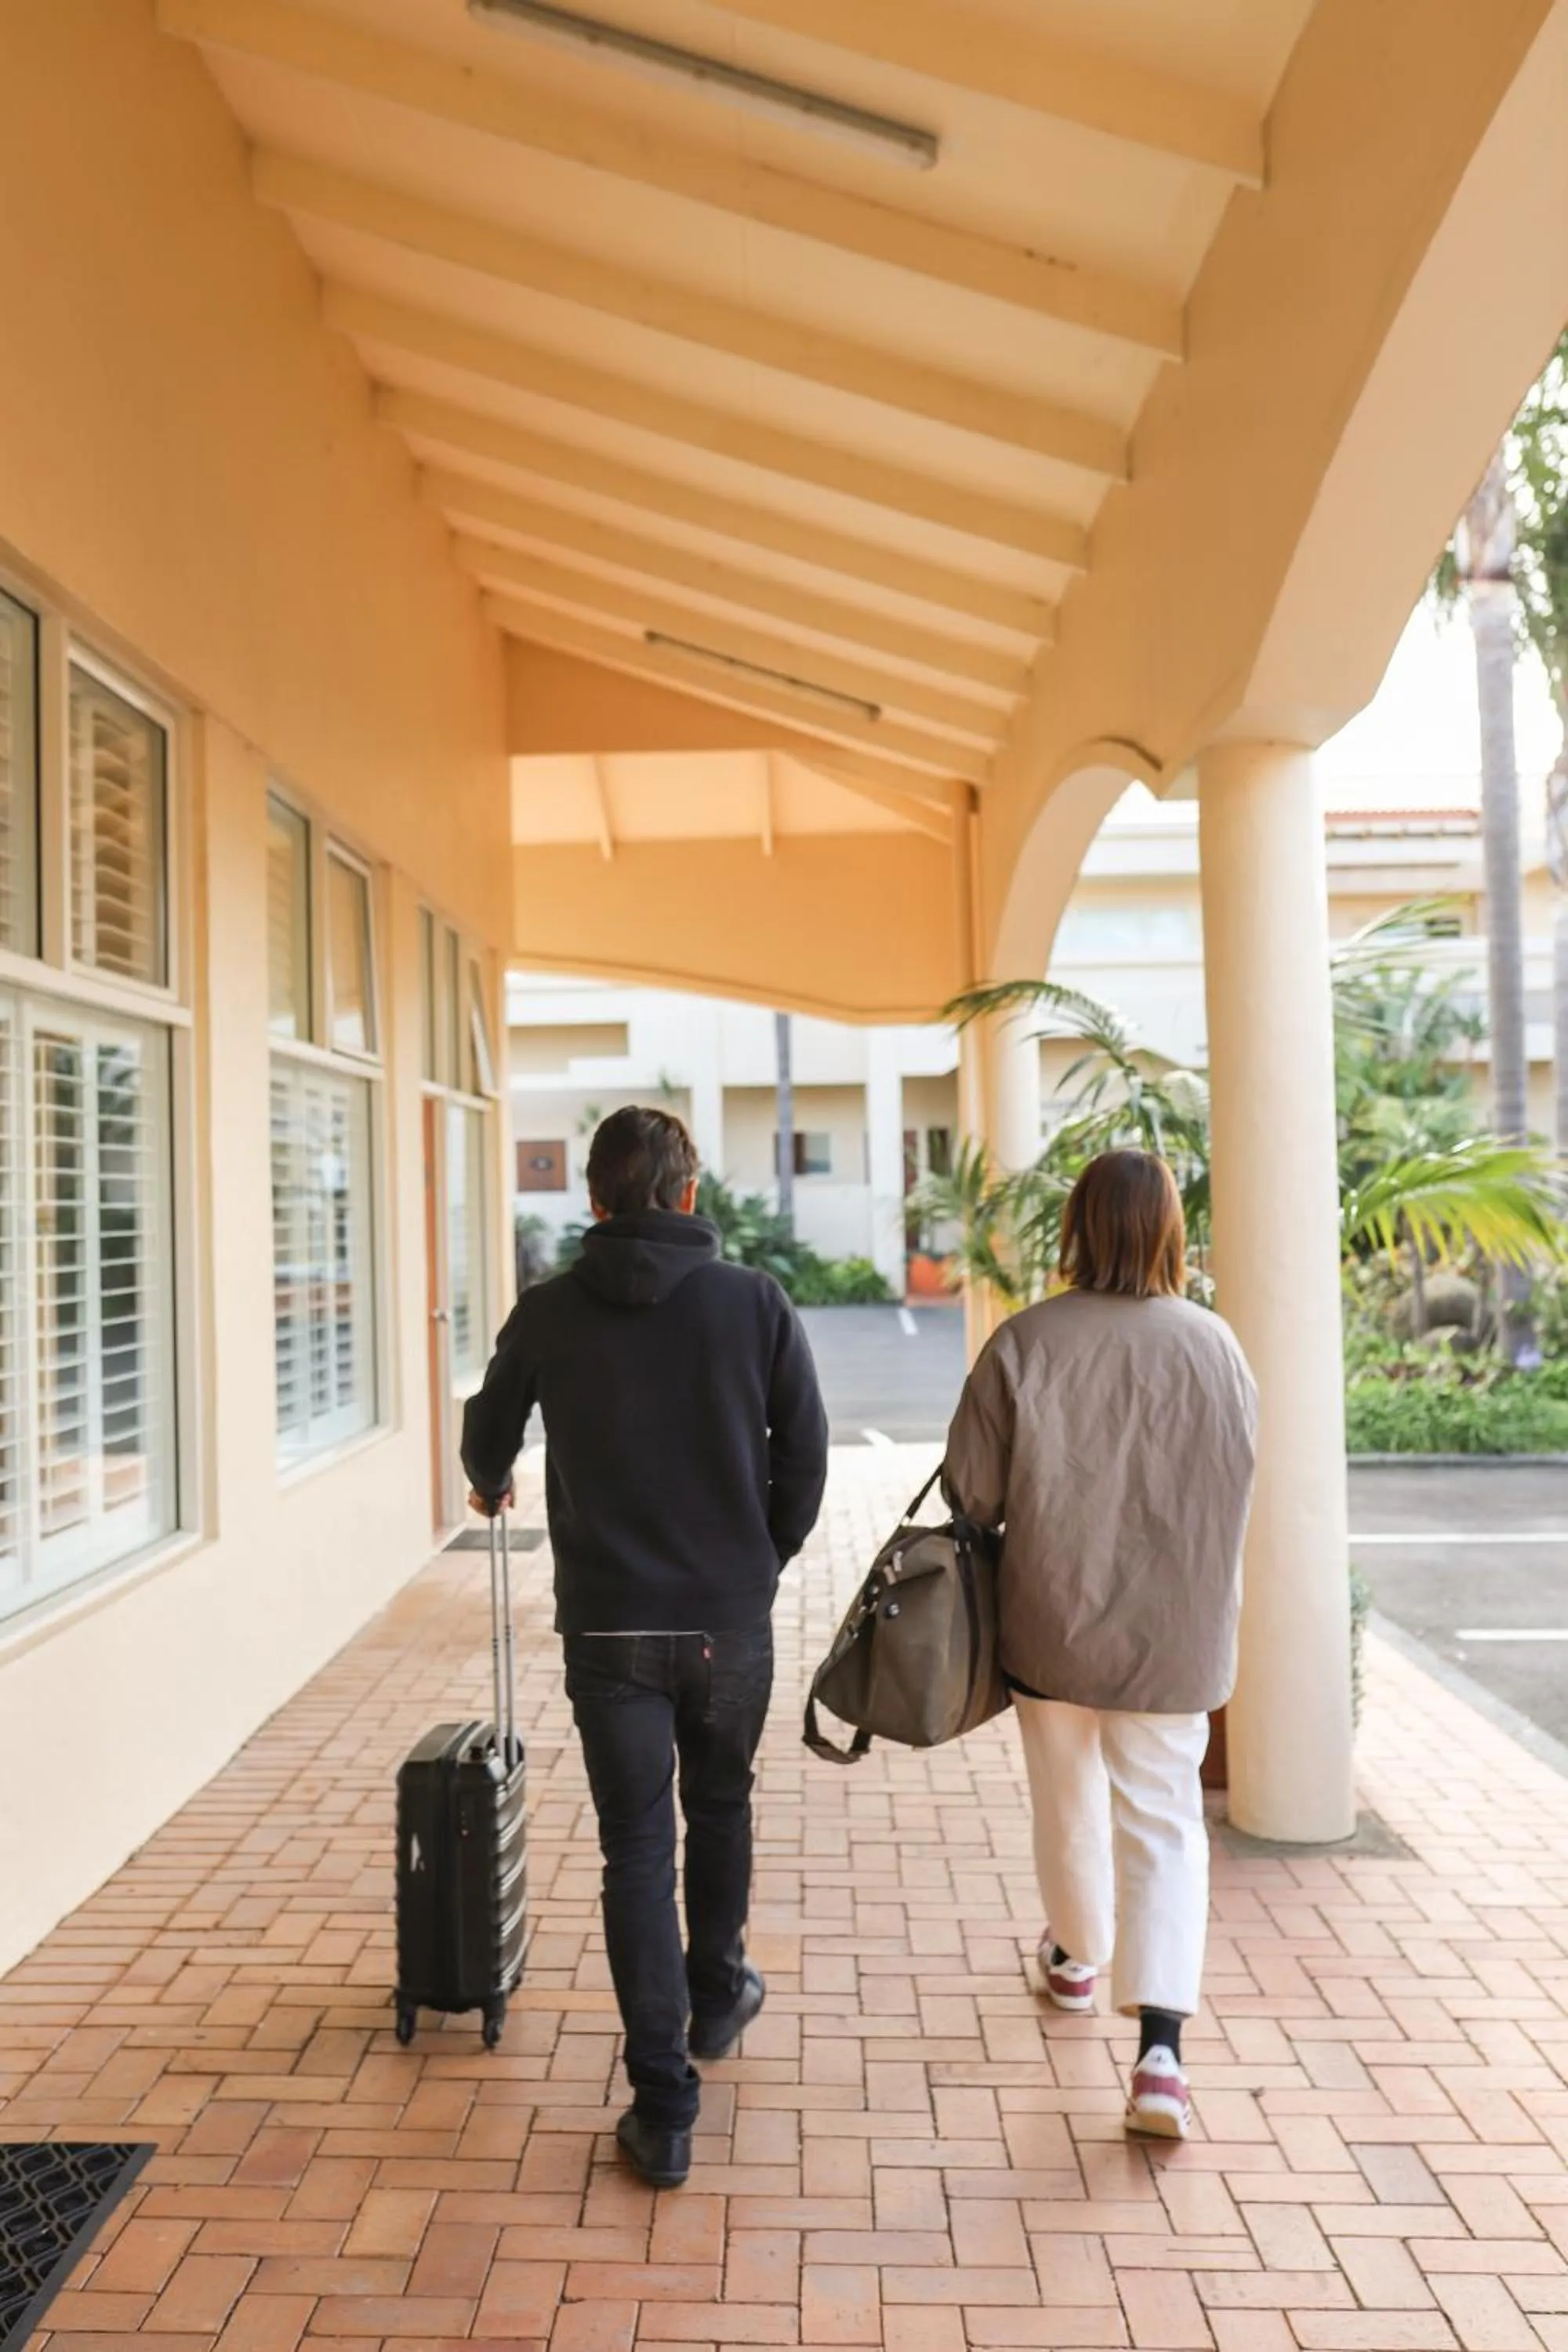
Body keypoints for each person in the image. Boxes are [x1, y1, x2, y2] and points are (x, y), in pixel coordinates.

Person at [462, 1105, 829, 2190]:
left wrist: (491, 1481)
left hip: (610, 1626)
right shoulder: (754, 1303)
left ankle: (663, 2108)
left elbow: (489, 1429)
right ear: (687, 1193)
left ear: (594, 1199)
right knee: (720, 1807)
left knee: (636, 1850)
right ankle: (716, 1999)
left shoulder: (549, 1311)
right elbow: (802, 1457)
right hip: (727, 1622)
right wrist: (759, 1559)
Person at [942, 1149, 1257, 2140]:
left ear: (1077, 1227)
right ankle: (1160, 2057)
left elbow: (972, 1495)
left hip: (1051, 1622)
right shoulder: (1216, 1347)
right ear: (1168, 1229)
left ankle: (1077, 1958)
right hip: (1174, 1636)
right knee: (1162, 1824)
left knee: (1067, 1799)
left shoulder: (1024, 1341)